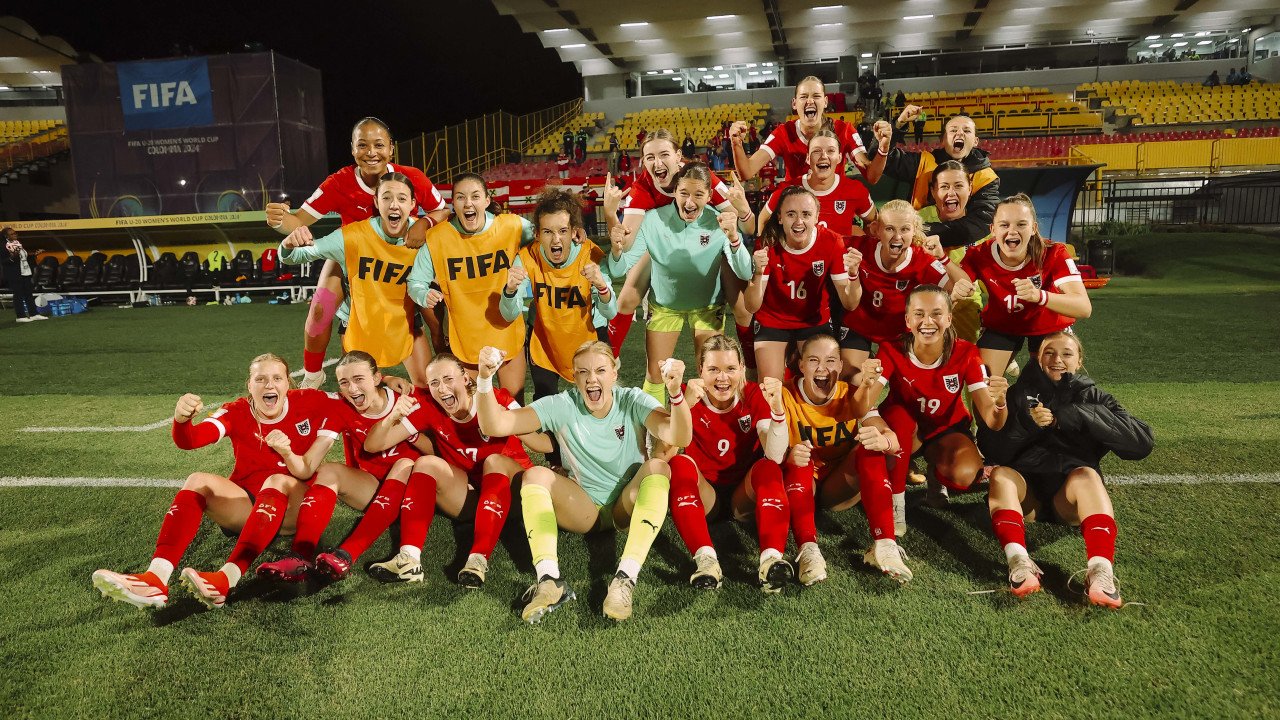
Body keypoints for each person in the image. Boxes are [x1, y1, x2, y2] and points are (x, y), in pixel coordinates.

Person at [91, 354, 335, 609]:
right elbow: (191, 440)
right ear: (250, 385)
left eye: (277, 378)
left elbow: (355, 403)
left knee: (277, 480)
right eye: (260, 379)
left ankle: (226, 579)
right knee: (197, 480)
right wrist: (182, 420)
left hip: (294, 509)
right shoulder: (236, 410)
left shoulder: (309, 402)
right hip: (250, 505)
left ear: (288, 383)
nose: (269, 385)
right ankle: (156, 578)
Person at [475, 342, 691, 622]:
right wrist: (483, 380)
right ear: (573, 377)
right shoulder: (562, 405)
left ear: (614, 372)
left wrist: (675, 393)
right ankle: (549, 580)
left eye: (601, 370)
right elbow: (495, 425)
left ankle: (624, 579)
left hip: (625, 504)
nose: (592, 378)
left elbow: (680, 436)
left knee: (658, 467)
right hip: (583, 507)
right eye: (583, 372)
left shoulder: (632, 400)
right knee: (535, 475)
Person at [264, 118, 449, 389]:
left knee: (433, 315)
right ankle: (314, 374)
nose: (371, 152)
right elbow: (299, 220)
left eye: (379, 145)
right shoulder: (340, 183)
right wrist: (280, 221)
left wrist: (425, 221)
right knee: (319, 310)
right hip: (356, 256)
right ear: (352, 149)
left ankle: (444, 359)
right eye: (362, 145)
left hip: (404, 258)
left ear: (391, 149)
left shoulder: (411, 177)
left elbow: (442, 210)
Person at [978, 332, 1153, 607]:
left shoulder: (1095, 396)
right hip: (1027, 499)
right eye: (1049, 353)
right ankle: (1019, 563)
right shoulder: (1018, 393)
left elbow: (1141, 444)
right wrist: (1025, 424)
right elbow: (993, 451)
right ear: (1038, 357)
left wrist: (1075, 416)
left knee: (1087, 476)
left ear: (1079, 360)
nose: (1057, 359)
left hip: (1070, 502)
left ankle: (1100, 572)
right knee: (1000, 475)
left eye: (1067, 354)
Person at [352, 353, 549, 587]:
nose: (442, 388)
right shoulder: (430, 407)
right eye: (434, 383)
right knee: (425, 464)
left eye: (448, 379)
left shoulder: (497, 400)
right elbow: (373, 445)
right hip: (473, 498)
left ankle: (477, 560)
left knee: (494, 461)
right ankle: (409, 559)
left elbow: (539, 443)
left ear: (466, 378)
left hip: (516, 496)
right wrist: (392, 415)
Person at [852, 286, 1009, 578]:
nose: (928, 322)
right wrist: (865, 383)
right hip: (904, 432)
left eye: (937, 314)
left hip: (945, 430)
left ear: (949, 318)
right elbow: (861, 408)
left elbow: (992, 419)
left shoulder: (966, 352)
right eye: (919, 314)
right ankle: (896, 502)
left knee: (964, 475)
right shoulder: (891, 349)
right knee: (901, 416)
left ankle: (937, 474)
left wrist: (999, 403)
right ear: (908, 320)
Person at [253, 351, 420, 583]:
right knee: (329, 469)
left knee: (406, 463)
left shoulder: (409, 399)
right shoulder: (341, 406)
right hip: (371, 489)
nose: (352, 389)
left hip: (415, 493)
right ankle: (300, 555)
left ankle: (347, 554)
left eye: (359, 379)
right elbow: (308, 467)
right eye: (344, 382)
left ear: (376, 378)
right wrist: (288, 453)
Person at [606, 163, 753, 404]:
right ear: (674, 191)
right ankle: (653, 436)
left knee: (712, 376)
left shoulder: (718, 222)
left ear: (709, 196)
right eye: (684, 193)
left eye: (698, 195)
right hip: (665, 307)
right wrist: (616, 247)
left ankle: (706, 434)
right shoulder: (652, 220)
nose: (690, 202)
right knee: (655, 376)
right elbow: (618, 268)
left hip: (707, 308)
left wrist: (735, 238)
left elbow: (745, 271)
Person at [600, 130, 753, 359]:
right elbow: (627, 243)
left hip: (707, 246)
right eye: (650, 157)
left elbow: (744, 227)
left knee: (742, 308)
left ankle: (751, 366)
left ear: (678, 155)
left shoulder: (701, 176)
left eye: (664, 154)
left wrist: (743, 210)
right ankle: (608, 361)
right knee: (626, 301)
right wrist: (611, 214)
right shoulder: (641, 188)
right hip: (664, 246)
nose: (657, 162)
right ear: (643, 161)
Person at [661, 335, 793, 591]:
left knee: (768, 467)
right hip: (705, 496)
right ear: (701, 370)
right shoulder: (687, 394)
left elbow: (775, 456)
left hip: (742, 495)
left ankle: (771, 561)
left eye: (730, 369)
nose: (722, 378)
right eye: (713, 370)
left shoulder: (754, 394)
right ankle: (706, 561)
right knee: (679, 464)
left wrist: (777, 410)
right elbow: (662, 454)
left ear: (742, 369)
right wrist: (683, 403)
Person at [278, 172, 429, 384]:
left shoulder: (425, 235)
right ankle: (313, 375)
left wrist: (429, 221)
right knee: (359, 389)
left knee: (426, 386)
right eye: (386, 198)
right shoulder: (354, 235)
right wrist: (288, 245)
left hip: (404, 321)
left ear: (413, 203)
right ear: (376, 201)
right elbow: (301, 254)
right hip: (362, 321)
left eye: (402, 199)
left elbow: (446, 220)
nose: (394, 205)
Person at [407, 173, 534, 394]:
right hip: (465, 339)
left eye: (475, 196)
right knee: (473, 410)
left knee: (514, 404)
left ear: (487, 200)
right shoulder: (438, 237)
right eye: (460, 197)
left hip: (507, 332)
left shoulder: (513, 226)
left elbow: (547, 235)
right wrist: (422, 294)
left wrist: (576, 232)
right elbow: (415, 281)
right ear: (453, 204)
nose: (468, 203)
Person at [501, 187, 616, 403]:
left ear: (574, 231)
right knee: (545, 403)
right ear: (537, 234)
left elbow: (611, 310)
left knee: (599, 401)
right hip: (545, 342)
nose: (555, 240)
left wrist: (601, 286)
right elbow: (509, 315)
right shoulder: (528, 256)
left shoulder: (589, 253)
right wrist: (509, 291)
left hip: (590, 338)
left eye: (563, 231)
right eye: (548, 232)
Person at [838, 199, 971, 383]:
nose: (897, 237)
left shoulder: (922, 259)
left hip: (899, 334)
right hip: (860, 326)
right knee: (848, 379)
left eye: (905, 230)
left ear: (914, 231)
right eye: (890, 229)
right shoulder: (860, 247)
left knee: (911, 386)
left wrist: (943, 258)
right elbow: (824, 242)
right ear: (876, 229)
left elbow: (966, 286)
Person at [961, 193, 1092, 377]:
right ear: (993, 229)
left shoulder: (1054, 253)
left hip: (1049, 325)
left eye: (1021, 224)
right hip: (1003, 325)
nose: (1012, 231)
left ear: (1033, 228)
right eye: (1004, 225)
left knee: (1055, 386)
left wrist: (1040, 296)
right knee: (983, 383)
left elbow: (1084, 308)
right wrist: (942, 260)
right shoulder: (978, 254)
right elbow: (955, 282)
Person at [776, 334, 868, 585]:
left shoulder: (852, 394)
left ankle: (885, 541)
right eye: (814, 360)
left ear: (840, 366)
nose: (822, 369)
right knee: (799, 459)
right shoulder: (783, 395)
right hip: (801, 479)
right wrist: (788, 455)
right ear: (801, 365)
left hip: (837, 485)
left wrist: (883, 437)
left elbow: (880, 426)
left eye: (830, 361)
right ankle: (808, 549)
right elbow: (766, 450)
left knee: (872, 449)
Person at [745, 186, 862, 381]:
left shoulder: (832, 242)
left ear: (816, 217)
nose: (799, 221)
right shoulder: (767, 243)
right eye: (791, 214)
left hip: (813, 321)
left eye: (806, 214)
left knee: (821, 382)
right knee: (769, 387)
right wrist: (757, 274)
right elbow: (752, 306)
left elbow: (850, 303)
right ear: (780, 217)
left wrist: (853, 275)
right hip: (773, 320)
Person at [729, 76, 886, 184]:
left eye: (816, 96)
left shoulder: (844, 130)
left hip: (832, 208)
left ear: (825, 102)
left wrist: (883, 148)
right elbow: (747, 172)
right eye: (803, 97)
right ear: (794, 103)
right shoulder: (783, 133)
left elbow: (871, 176)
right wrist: (736, 143)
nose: (810, 100)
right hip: (798, 214)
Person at [882, 110, 999, 250]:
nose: (960, 133)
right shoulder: (922, 163)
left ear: (975, 141)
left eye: (967, 130)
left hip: (963, 255)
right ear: (943, 140)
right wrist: (898, 125)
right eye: (953, 130)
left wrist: (919, 231)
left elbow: (980, 223)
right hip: (917, 250)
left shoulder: (986, 177)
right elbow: (881, 159)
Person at [757, 128, 879, 240]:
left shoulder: (855, 190)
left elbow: (874, 222)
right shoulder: (787, 191)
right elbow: (763, 220)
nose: (823, 156)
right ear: (808, 158)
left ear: (840, 157)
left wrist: (865, 250)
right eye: (816, 151)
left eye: (831, 151)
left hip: (839, 262)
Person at [2, 227, 43, 323]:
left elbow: (23, 257)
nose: (15, 235)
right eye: (12, 234)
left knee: (29, 293)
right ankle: (20, 316)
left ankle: (34, 314)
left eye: (15, 233)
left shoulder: (18, 243)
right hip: (14, 274)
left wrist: (34, 254)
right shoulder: (3, 246)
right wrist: (12, 257)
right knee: (18, 294)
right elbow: (3, 261)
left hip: (25, 272)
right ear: (6, 236)